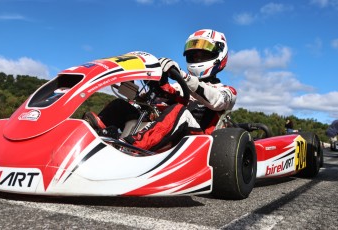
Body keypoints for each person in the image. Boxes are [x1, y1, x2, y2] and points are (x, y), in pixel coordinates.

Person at [84, 29, 237, 152]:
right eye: (193, 55)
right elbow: (169, 93)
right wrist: (157, 83)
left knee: (180, 111)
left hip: (197, 141)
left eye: (203, 54)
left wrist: (183, 76)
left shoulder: (227, 91)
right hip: (164, 134)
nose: (197, 58)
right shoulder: (179, 86)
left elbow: (216, 101)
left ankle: (130, 147)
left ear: (219, 55)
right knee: (121, 105)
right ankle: (88, 136)